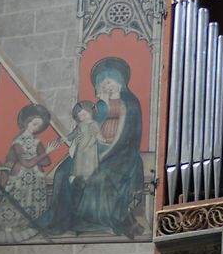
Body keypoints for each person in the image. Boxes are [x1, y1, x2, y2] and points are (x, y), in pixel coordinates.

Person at [38, 57, 145, 237]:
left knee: (99, 176)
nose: (107, 86)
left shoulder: (130, 102)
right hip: (96, 146)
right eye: (103, 83)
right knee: (64, 172)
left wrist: (104, 154)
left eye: (110, 82)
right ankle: (65, 219)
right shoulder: (101, 104)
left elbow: (123, 136)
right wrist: (102, 105)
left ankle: (95, 222)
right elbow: (89, 124)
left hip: (121, 151)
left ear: (120, 81)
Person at [0, 104, 62, 243]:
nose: (35, 127)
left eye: (38, 126)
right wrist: (44, 154)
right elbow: (27, 164)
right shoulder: (18, 142)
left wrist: (41, 156)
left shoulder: (37, 141)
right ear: (27, 122)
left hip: (36, 178)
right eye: (33, 123)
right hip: (21, 177)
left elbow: (47, 162)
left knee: (33, 206)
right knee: (16, 205)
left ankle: (32, 224)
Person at [67, 100, 105, 180]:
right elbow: (74, 134)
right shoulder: (80, 125)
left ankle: (89, 176)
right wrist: (65, 138)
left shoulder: (93, 124)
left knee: (89, 161)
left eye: (84, 114)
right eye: (80, 115)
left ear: (91, 112)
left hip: (90, 147)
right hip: (80, 146)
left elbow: (94, 137)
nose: (83, 117)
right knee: (78, 160)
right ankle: (75, 175)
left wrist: (88, 146)